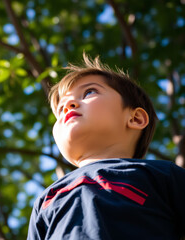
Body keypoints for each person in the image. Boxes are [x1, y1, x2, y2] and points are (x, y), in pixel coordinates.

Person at [27, 54, 185, 240]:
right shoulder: (46, 199)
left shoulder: (164, 176)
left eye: (89, 92)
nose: (68, 106)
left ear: (134, 118)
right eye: (61, 109)